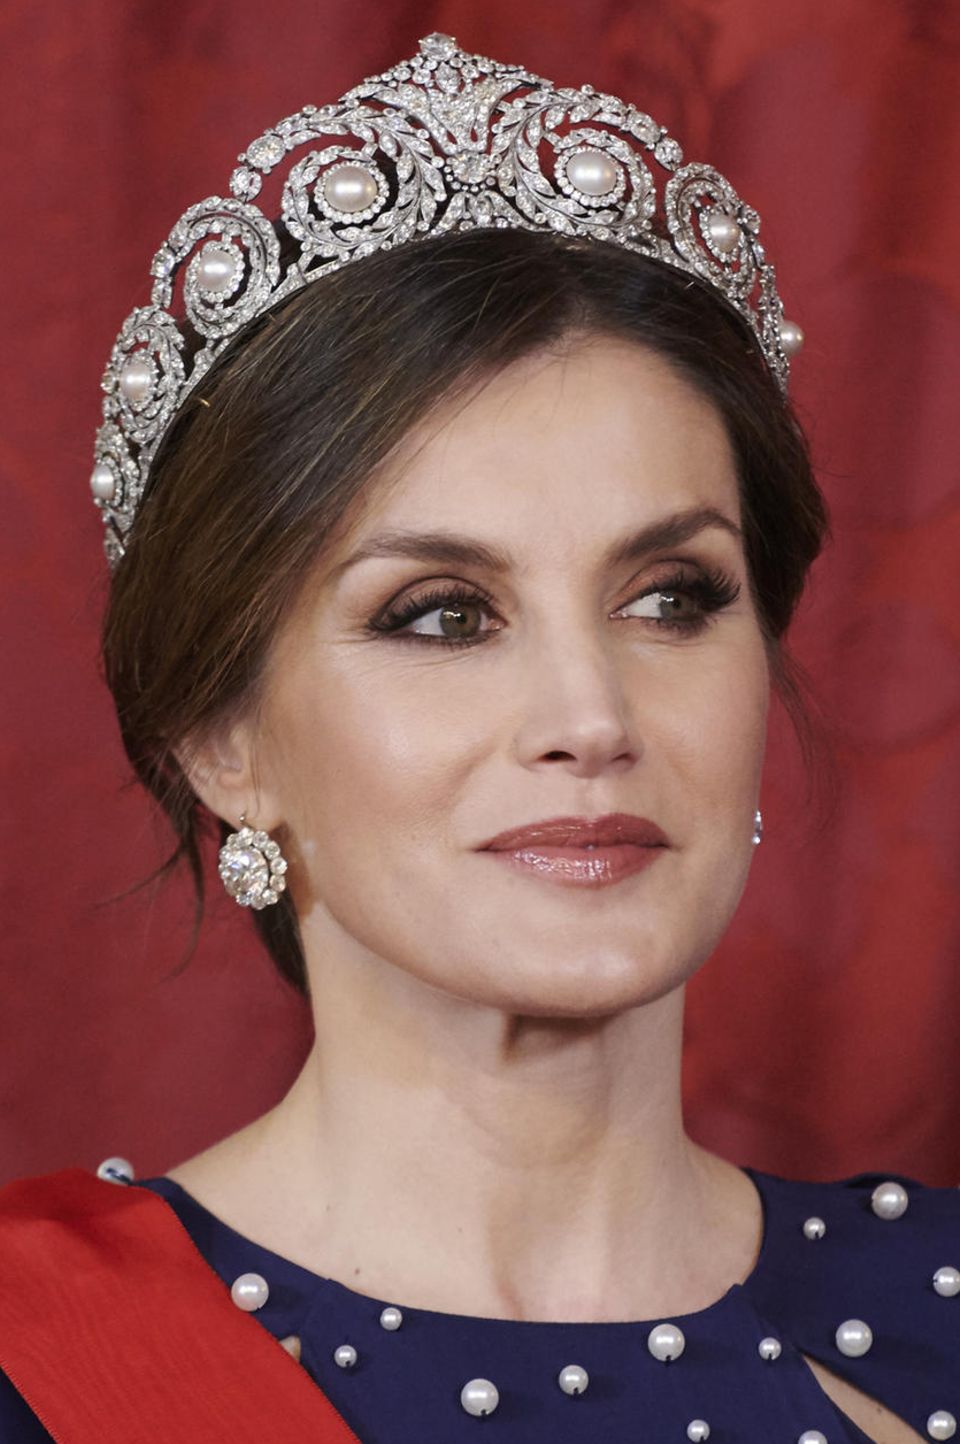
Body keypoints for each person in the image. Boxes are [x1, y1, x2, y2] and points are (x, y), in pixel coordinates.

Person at [0, 32, 956, 1444]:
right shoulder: (34, 1356)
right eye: (444, 616)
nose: (592, 718)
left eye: (672, 597)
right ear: (222, 740)